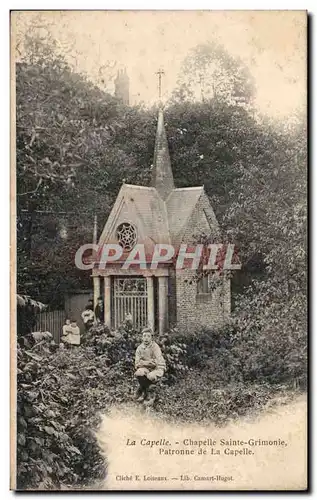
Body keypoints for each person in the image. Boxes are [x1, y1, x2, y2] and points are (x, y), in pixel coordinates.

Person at [134, 328, 166, 405]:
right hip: (147, 368)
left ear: (151, 337)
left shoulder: (155, 347)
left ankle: (151, 395)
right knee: (139, 373)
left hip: (158, 368)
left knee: (150, 376)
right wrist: (148, 362)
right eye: (144, 336)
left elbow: (156, 362)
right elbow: (137, 364)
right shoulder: (139, 348)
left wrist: (143, 362)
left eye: (148, 336)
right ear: (141, 337)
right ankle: (144, 391)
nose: (146, 338)